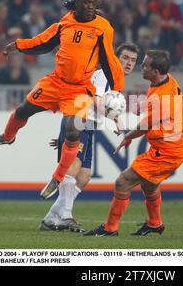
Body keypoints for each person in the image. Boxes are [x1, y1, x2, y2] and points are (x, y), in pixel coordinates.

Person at [0, 0, 125, 199]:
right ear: (76, 3)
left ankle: (57, 178)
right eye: (86, 2)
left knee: (73, 131)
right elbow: (43, 42)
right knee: (22, 111)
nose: (90, 6)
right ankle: (8, 136)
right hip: (55, 82)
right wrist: (18, 45)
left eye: (94, 3)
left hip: (79, 90)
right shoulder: (65, 22)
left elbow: (109, 60)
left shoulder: (103, 28)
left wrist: (116, 90)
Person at [84, 50, 183, 237]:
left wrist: (128, 137)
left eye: (145, 65)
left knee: (123, 182)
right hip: (169, 147)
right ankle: (155, 224)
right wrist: (144, 106)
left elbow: (145, 126)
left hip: (168, 152)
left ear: (156, 71)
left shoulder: (162, 97)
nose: (140, 67)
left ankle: (110, 228)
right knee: (149, 185)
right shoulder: (165, 81)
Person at [40, 43, 139, 232]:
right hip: (79, 121)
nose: (128, 63)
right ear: (114, 58)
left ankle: (51, 218)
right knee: (74, 167)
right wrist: (116, 119)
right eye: (125, 58)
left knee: (84, 177)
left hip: (87, 126)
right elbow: (95, 100)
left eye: (133, 60)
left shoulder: (115, 80)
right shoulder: (104, 75)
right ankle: (66, 215)